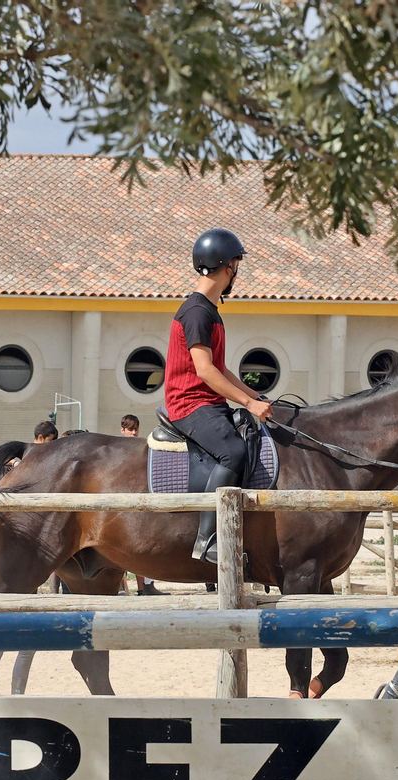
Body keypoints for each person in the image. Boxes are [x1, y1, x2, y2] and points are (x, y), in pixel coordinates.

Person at [163, 228, 273, 564]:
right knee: (233, 452)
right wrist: (248, 404)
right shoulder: (197, 312)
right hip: (189, 403)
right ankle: (208, 539)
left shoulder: (210, 310)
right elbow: (205, 371)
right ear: (228, 267)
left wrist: (258, 397)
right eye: (237, 264)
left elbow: (221, 369)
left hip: (207, 401)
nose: (237, 271)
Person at [117, 414, 165, 595]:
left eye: (135, 429)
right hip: (120, 502)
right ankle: (120, 587)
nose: (134, 433)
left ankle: (144, 587)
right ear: (122, 430)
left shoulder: (143, 447)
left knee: (140, 548)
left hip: (138, 500)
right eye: (130, 429)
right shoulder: (117, 450)